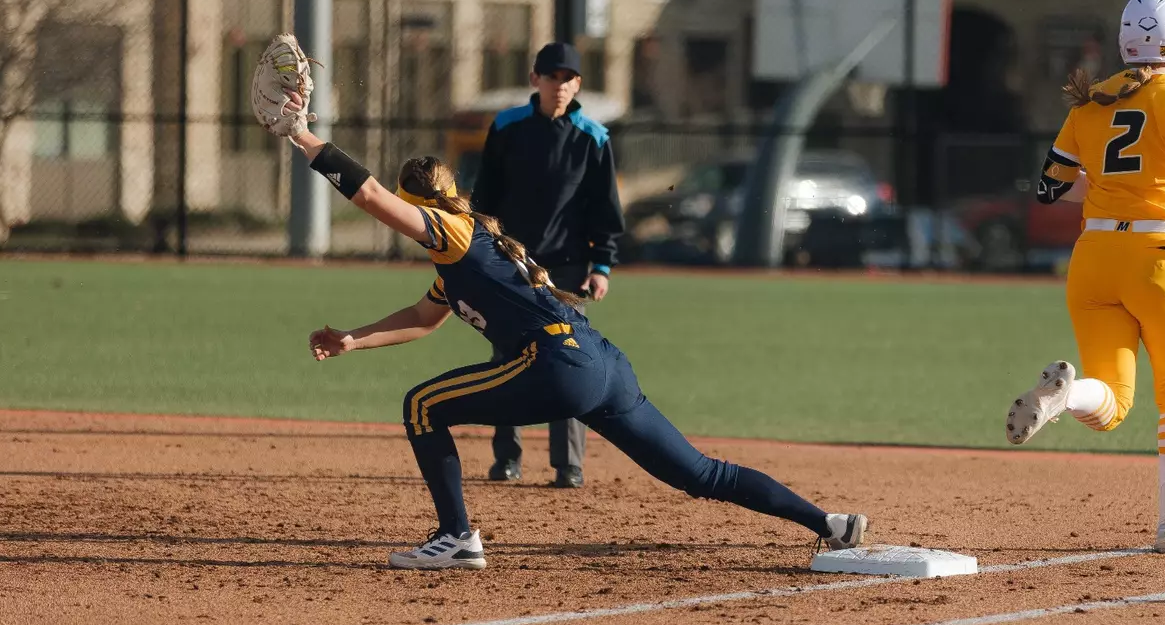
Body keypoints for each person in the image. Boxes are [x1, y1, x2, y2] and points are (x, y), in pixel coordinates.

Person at [250, 44, 868, 570]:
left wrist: (302, 133)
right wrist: (354, 339)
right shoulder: (469, 255)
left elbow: (373, 197)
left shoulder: (456, 235)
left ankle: (456, 537)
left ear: (430, 207)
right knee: (700, 474)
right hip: (602, 365)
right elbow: (421, 320)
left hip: (557, 366)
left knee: (421, 406)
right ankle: (830, 524)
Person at [1003, 0, 1165, 555]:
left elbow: (1049, 186)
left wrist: (1110, 188)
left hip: (1094, 259)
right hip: (1160, 258)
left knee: (1110, 404)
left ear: (1125, 43)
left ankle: (1064, 397)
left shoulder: (1091, 102)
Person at [471, 42, 624, 488]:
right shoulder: (507, 127)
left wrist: (602, 267)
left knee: (570, 361)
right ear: (535, 80)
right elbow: (485, 199)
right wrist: (484, 253)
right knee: (508, 357)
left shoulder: (593, 137)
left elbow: (605, 210)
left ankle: (569, 464)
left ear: (578, 84)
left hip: (570, 267)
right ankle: (507, 458)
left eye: (569, 78)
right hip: (510, 263)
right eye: (552, 76)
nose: (561, 85)